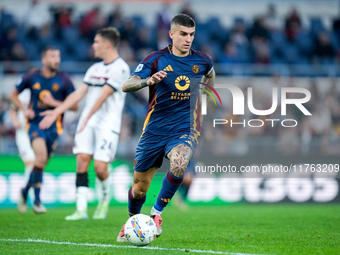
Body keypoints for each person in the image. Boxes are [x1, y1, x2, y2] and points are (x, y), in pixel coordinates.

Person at [116, 14, 215, 241]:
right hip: (154, 131)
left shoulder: (203, 61)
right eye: (183, 34)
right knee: (139, 188)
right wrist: (147, 81)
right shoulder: (155, 59)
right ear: (172, 34)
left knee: (181, 162)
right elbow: (126, 85)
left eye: (191, 34)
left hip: (184, 127)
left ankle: (156, 213)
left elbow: (211, 76)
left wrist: (204, 100)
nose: (188, 39)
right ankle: (132, 221)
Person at [39, 27, 130, 220]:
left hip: (107, 123)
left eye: (96, 42)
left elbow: (103, 96)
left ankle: (103, 201)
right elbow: (78, 93)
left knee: (99, 167)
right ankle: (81, 209)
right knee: (81, 162)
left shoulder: (121, 68)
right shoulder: (94, 68)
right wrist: (57, 111)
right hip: (87, 121)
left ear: (107, 44)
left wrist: (86, 117)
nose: (93, 46)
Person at [9, 46, 78, 214]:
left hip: (54, 127)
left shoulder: (65, 80)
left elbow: (75, 106)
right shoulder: (32, 77)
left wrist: (54, 103)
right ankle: (38, 202)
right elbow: (13, 96)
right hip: (35, 125)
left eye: (58, 56)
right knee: (39, 159)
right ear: (44, 60)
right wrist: (25, 110)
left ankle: (25, 192)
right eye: (53, 56)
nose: (57, 60)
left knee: (41, 164)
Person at [9, 88, 35, 203]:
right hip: (23, 133)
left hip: (36, 132)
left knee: (38, 163)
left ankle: (25, 191)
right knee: (31, 161)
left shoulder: (42, 91)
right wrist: (14, 121)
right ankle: (33, 196)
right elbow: (13, 109)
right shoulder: (21, 95)